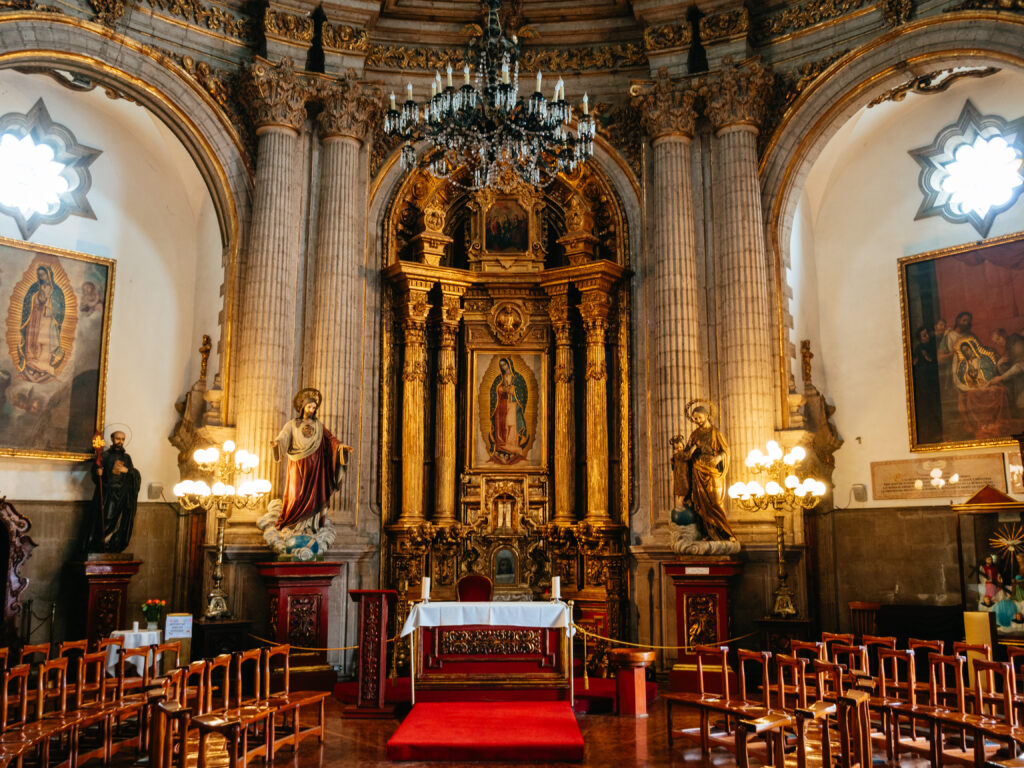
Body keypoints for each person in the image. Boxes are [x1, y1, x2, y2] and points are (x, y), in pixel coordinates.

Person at [272, 388, 350, 530]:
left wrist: (341, 447)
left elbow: (331, 439)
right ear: (303, 407)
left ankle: (310, 526)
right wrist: (277, 443)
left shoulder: (319, 426)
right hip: (297, 463)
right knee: (295, 496)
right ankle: (292, 524)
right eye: (309, 407)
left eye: (314, 408)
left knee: (314, 496)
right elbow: (283, 437)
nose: (312, 410)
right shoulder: (292, 425)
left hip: (316, 466)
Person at [679, 402, 736, 541]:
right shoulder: (694, 434)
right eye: (694, 419)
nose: (696, 421)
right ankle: (707, 534)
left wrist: (718, 458)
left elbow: (726, 451)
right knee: (699, 505)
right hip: (697, 471)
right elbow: (687, 453)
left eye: (698, 417)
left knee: (715, 502)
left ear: (706, 416)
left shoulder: (716, 433)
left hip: (712, 471)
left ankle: (725, 532)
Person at [84, 430, 141, 553]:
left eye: (122, 439)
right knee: (106, 519)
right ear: (112, 439)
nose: (120, 441)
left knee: (117, 521)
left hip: (122, 496)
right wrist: (97, 473)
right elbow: (96, 474)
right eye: (117, 438)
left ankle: (111, 545)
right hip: (108, 494)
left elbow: (134, 476)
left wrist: (128, 471)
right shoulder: (105, 456)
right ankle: (99, 545)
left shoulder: (127, 458)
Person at [17, 264, 67, 383]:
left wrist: (49, 300)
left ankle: (43, 366)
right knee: (31, 342)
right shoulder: (34, 288)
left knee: (44, 341)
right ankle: (30, 365)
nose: (41, 277)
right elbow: (28, 300)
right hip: (33, 318)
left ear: (49, 274)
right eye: (39, 275)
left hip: (47, 320)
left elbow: (60, 307)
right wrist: (37, 299)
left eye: (43, 274)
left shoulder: (56, 291)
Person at [487, 357, 529, 464]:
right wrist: (500, 389)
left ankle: (512, 449)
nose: (503, 367)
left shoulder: (518, 378)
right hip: (501, 407)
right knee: (502, 427)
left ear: (509, 364)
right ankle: (503, 449)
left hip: (513, 406)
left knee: (512, 427)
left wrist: (512, 390)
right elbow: (494, 391)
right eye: (501, 366)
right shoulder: (499, 378)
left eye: (504, 365)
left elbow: (523, 392)